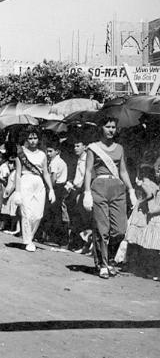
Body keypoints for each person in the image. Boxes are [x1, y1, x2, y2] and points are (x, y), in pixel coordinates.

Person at [83, 115, 137, 279]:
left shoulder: (119, 148)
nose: (111, 130)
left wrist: (131, 190)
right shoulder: (93, 148)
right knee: (102, 229)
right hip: (99, 187)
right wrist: (86, 192)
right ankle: (103, 264)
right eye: (108, 127)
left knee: (120, 229)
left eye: (113, 127)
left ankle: (110, 258)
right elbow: (87, 171)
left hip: (117, 189)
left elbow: (122, 171)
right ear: (101, 128)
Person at [15, 127, 55, 252]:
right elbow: (17, 173)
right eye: (30, 138)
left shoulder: (42, 154)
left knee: (38, 214)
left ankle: (30, 236)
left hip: (39, 184)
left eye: (35, 138)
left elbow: (46, 173)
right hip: (25, 181)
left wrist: (51, 189)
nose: (33, 141)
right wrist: (17, 191)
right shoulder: (21, 154)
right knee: (26, 213)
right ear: (27, 139)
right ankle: (28, 240)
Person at [43, 141, 69, 247]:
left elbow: (53, 178)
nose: (48, 153)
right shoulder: (60, 161)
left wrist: (50, 188)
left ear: (57, 152)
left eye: (50, 151)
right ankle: (56, 238)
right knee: (55, 213)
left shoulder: (55, 162)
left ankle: (56, 239)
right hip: (60, 187)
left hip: (56, 188)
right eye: (47, 151)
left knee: (54, 214)